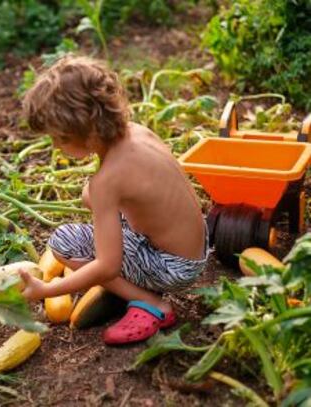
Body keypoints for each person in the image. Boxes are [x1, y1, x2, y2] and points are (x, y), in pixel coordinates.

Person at [19, 56, 209, 345]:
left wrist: (45, 291)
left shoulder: (107, 181)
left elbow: (107, 265)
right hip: (194, 247)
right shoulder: (138, 133)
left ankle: (152, 305)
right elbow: (108, 195)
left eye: (59, 138)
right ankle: (139, 285)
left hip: (173, 268)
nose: (56, 146)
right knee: (102, 221)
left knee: (64, 242)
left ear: (86, 131)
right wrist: (96, 197)